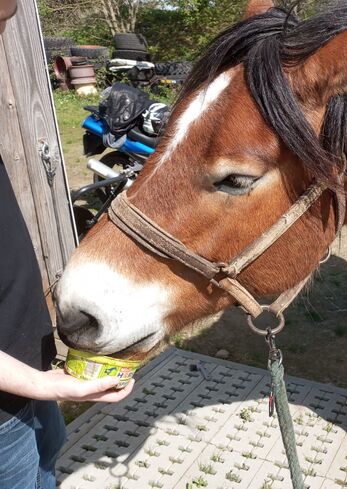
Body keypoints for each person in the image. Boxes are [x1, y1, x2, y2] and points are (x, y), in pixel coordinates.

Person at [0, 2, 133, 487]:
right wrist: (40, 383)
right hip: (6, 409)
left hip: (28, 378)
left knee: (47, 466)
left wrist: (42, 381)